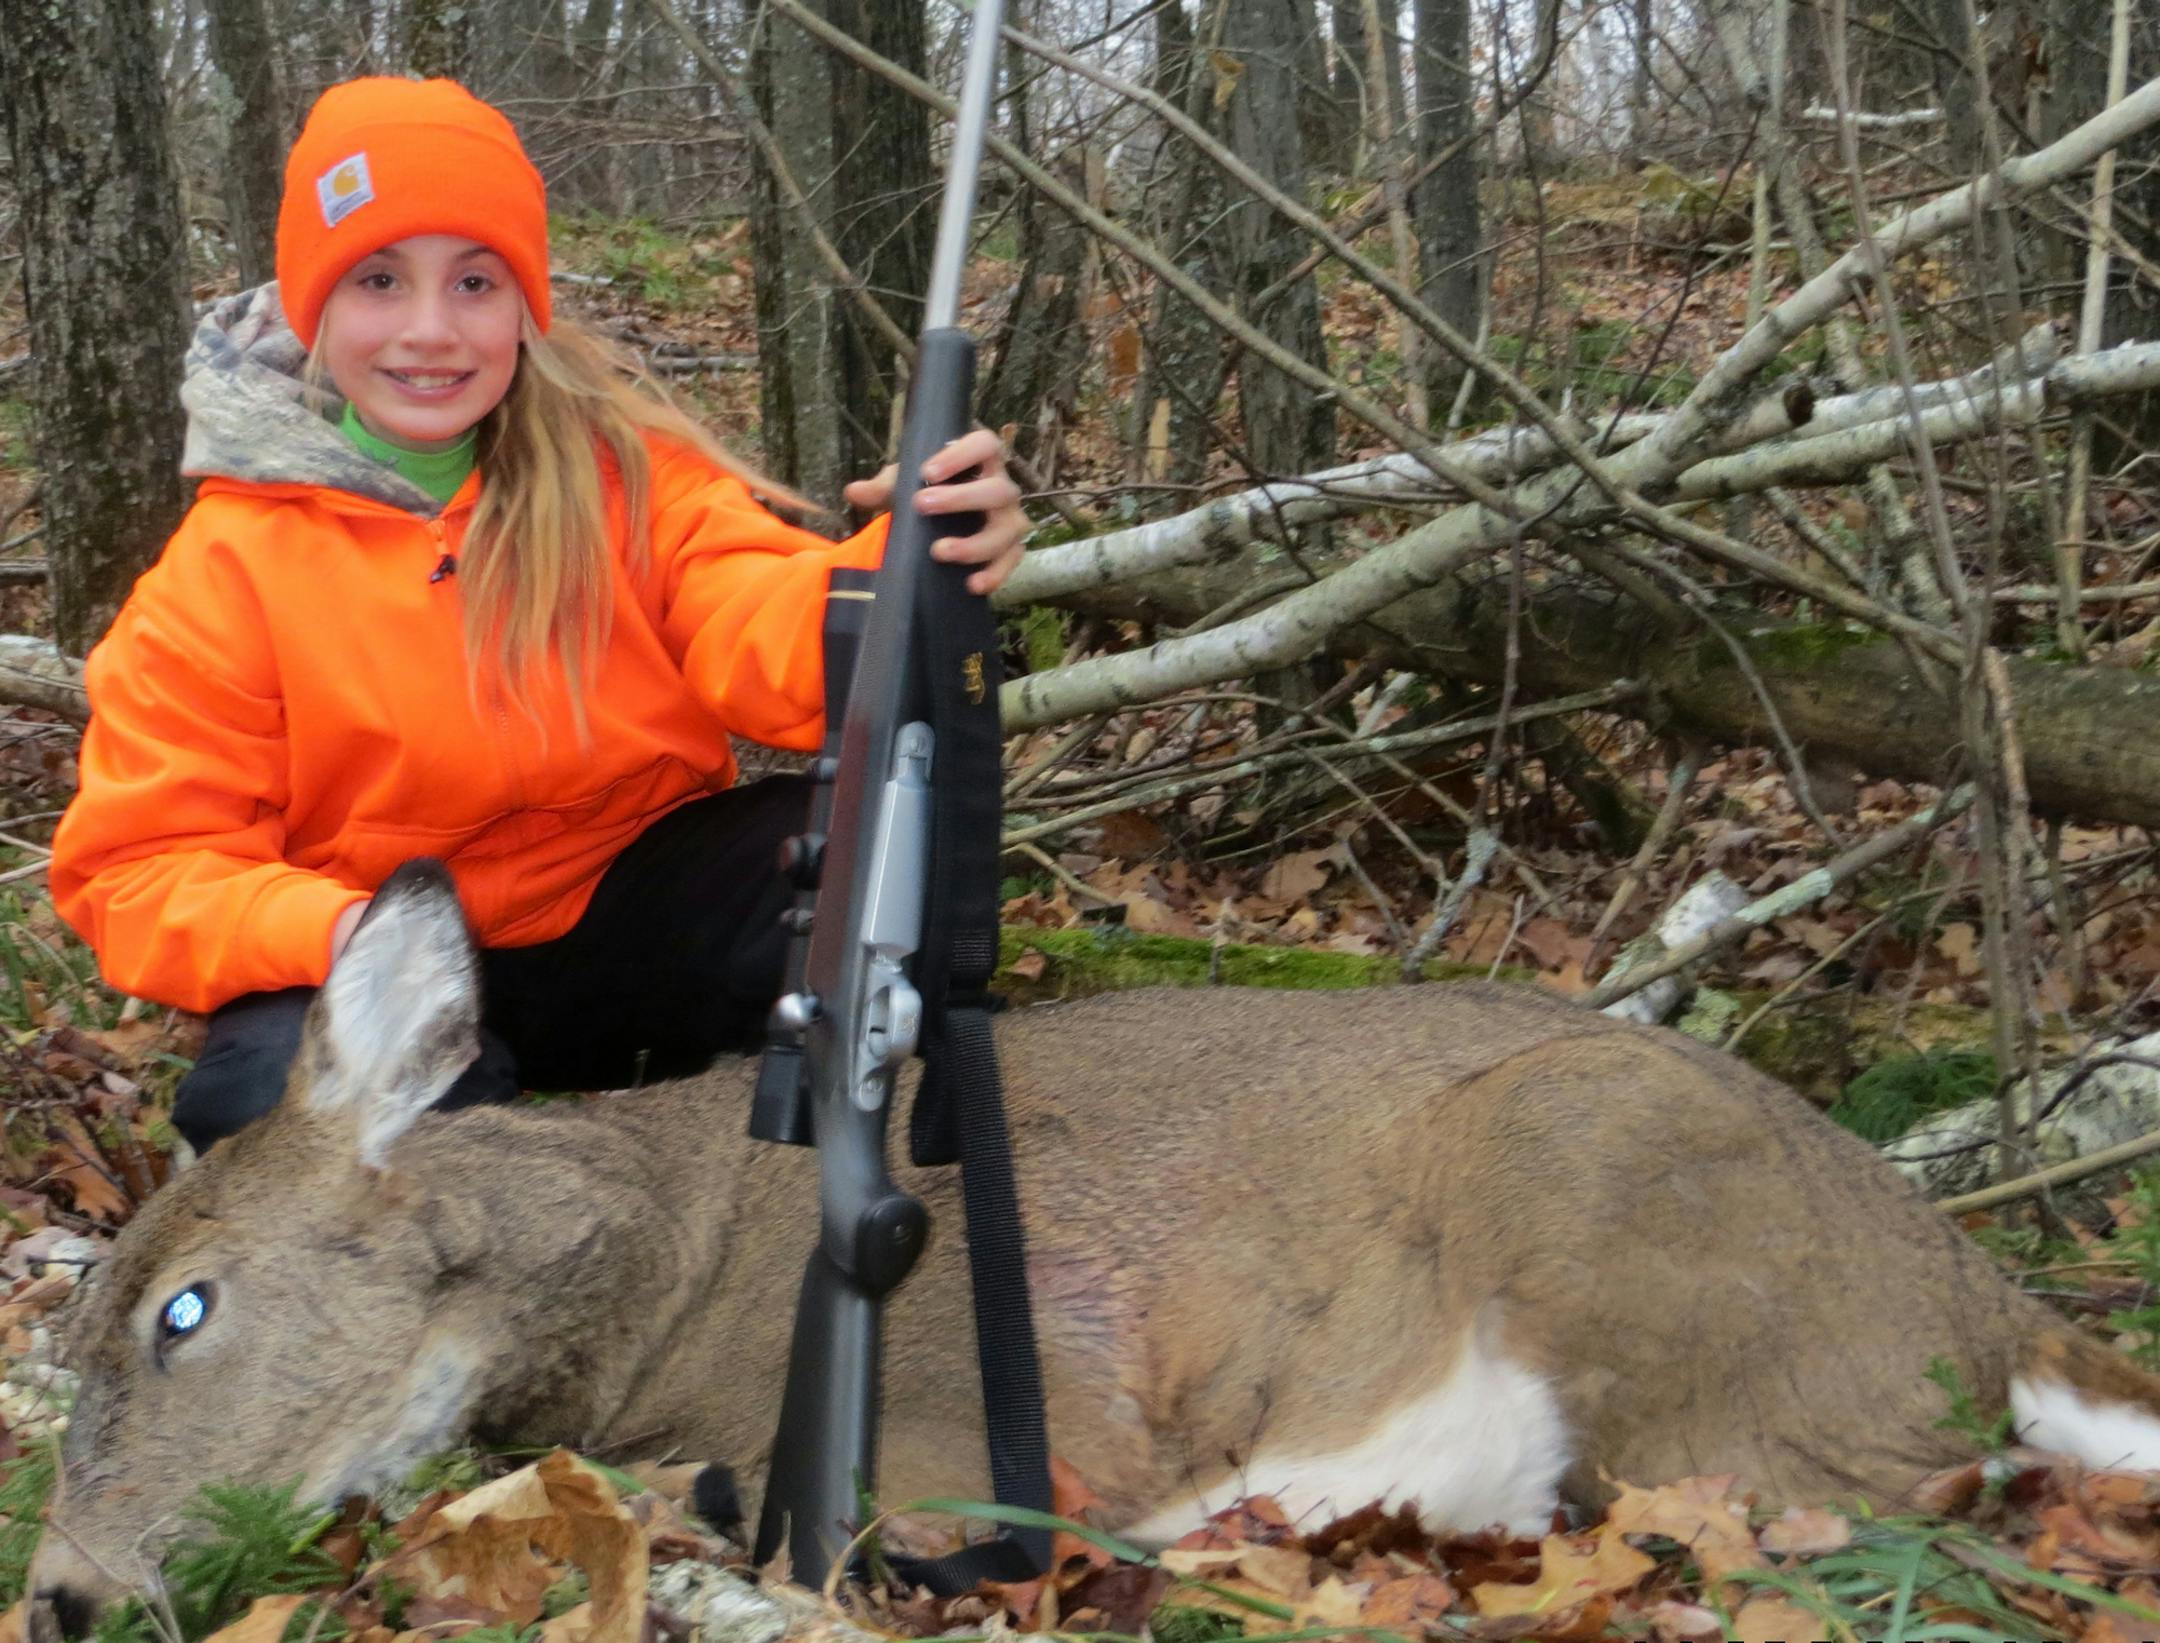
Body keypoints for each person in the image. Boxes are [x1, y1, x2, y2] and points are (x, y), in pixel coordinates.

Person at [48, 77, 1028, 1152]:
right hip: (380, 961)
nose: (431, 330)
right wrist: (347, 931)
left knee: (872, 842)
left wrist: (912, 560)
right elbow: (141, 866)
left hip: (631, 931)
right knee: (272, 1097)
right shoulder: (223, 570)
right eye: (379, 279)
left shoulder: (627, 476)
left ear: (524, 303)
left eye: (475, 281)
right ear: (312, 303)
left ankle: (867, 1169)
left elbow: (767, 626)